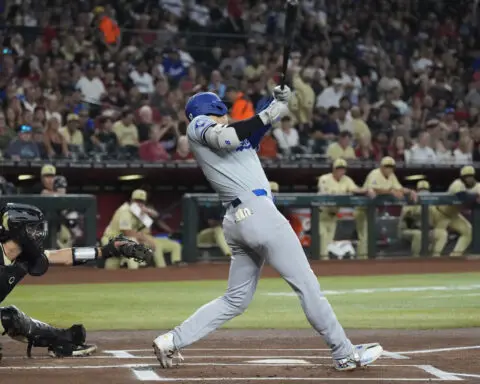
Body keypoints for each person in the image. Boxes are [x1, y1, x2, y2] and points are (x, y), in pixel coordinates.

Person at [152, 90, 383, 371]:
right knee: (308, 286)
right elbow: (229, 136)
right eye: (222, 110)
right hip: (257, 213)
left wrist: (276, 106)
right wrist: (267, 113)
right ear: (212, 108)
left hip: (239, 220)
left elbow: (251, 130)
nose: (227, 114)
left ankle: (171, 340)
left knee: (235, 300)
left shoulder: (233, 135)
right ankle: (344, 353)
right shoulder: (198, 125)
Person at [0, 202, 151, 360]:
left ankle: (60, 340)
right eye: (32, 229)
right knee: (5, 319)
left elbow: (65, 256)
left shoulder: (24, 257)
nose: (38, 234)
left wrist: (106, 251)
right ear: (18, 230)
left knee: (12, 317)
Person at [355, 156, 418, 259]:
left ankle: (365, 259)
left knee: (369, 235)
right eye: (386, 166)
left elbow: (399, 189)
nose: (389, 169)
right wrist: (391, 191)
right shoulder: (375, 174)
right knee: (364, 236)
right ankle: (361, 260)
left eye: (391, 167)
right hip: (363, 209)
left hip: (373, 210)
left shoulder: (391, 176)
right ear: (381, 167)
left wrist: (411, 191)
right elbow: (373, 189)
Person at [317, 159, 375, 260]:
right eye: (338, 169)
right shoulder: (325, 178)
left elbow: (356, 189)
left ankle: (323, 264)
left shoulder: (346, 180)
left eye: (343, 169)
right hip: (321, 215)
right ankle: (320, 264)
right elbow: (323, 193)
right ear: (334, 169)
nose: (341, 171)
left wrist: (368, 190)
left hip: (333, 216)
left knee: (328, 242)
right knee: (322, 238)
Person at [432, 166, 479, 257]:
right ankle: (433, 259)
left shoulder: (478, 186)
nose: (469, 178)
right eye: (466, 176)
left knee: (468, 232)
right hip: (441, 213)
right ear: (462, 177)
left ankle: (455, 255)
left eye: (471, 176)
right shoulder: (457, 184)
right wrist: (476, 197)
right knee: (441, 236)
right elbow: (463, 198)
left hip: (454, 215)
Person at [398, 181, 447, 257]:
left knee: (442, 234)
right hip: (408, 230)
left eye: (425, 190)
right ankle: (416, 257)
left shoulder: (432, 203)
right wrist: (415, 209)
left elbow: (437, 220)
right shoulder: (411, 200)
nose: (424, 192)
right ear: (417, 191)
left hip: (427, 231)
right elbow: (406, 218)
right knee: (418, 234)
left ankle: (435, 257)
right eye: (422, 190)